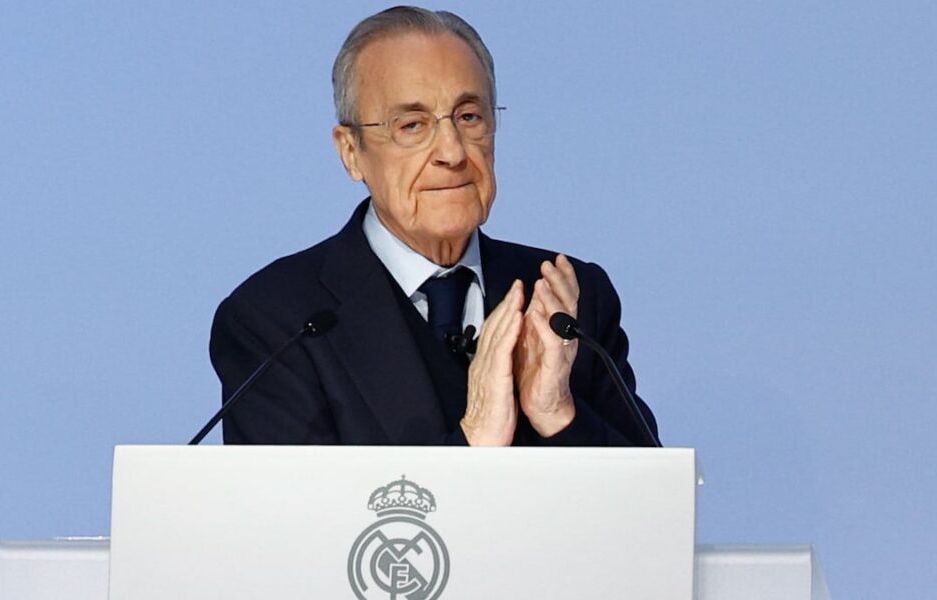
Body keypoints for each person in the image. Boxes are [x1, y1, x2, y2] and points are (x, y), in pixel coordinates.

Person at [209, 6, 658, 447]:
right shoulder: (279, 321)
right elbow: (298, 500)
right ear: (351, 152)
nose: (453, 152)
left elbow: (653, 491)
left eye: (469, 117)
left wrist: (557, 413)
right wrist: (474, 437)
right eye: (412, 125)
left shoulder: (570, 299)